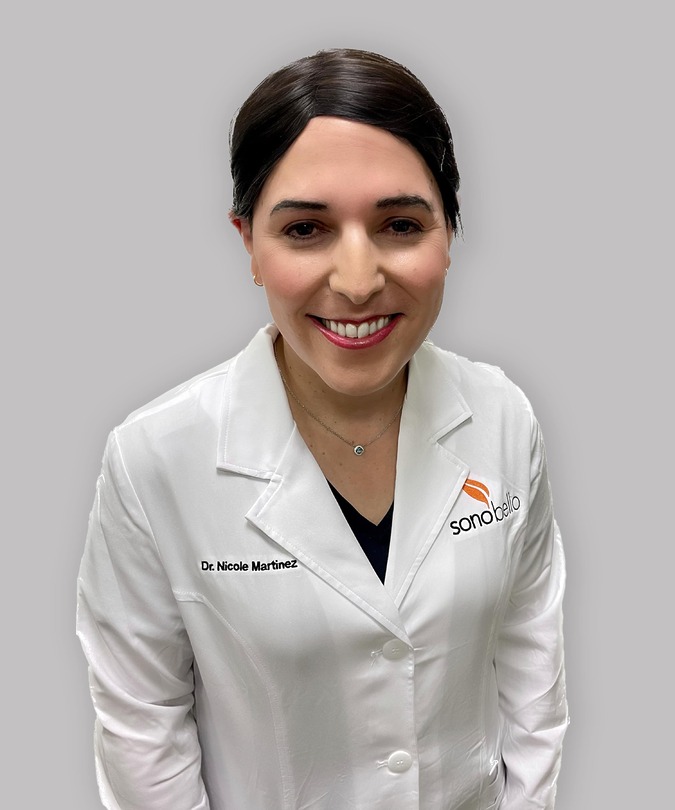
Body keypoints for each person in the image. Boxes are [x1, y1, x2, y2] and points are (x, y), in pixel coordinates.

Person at [76, 48, 568, 810]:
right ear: (248, 243)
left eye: (400, 224)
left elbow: (532, 673)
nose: (358, 279)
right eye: (305, 229)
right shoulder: (154, 459)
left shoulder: (502, 414)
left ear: (449, 233)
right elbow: (142, 735)